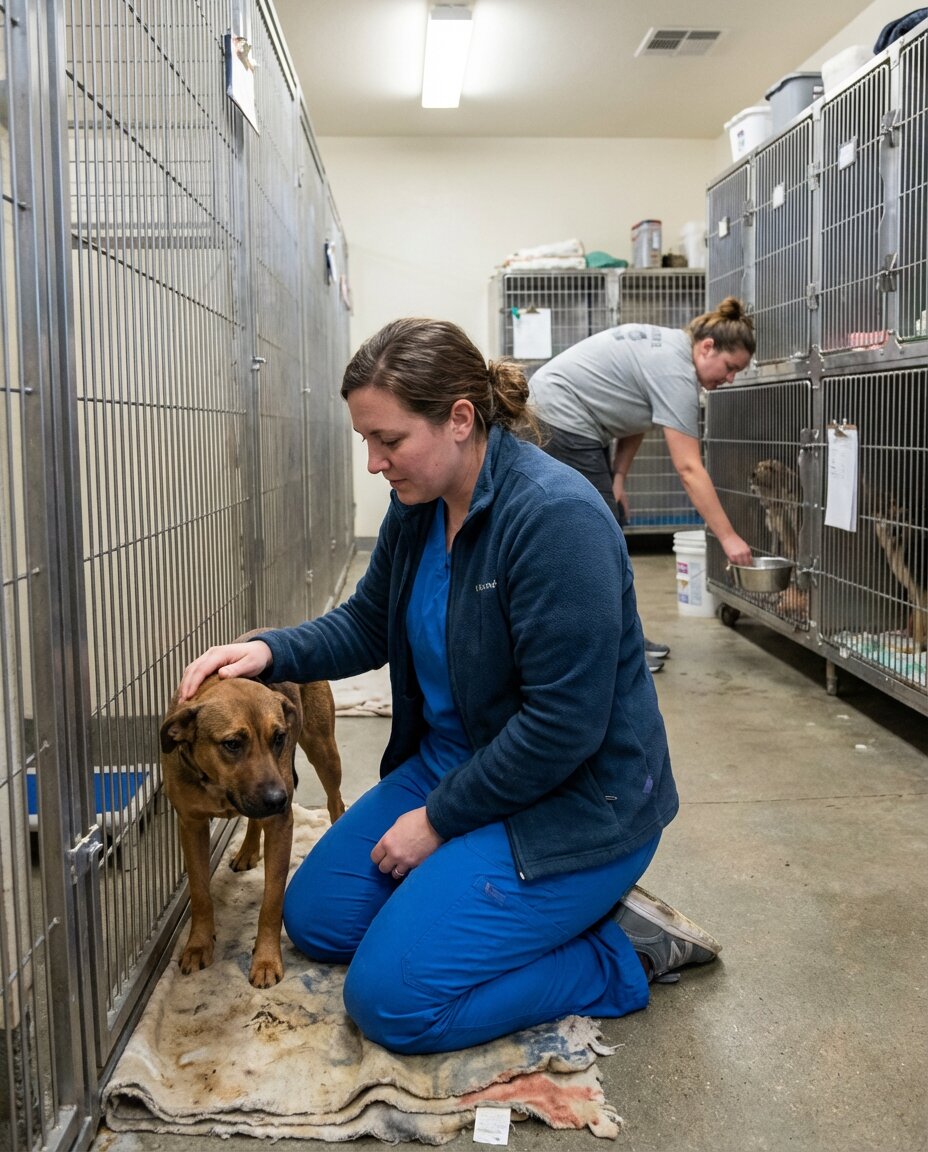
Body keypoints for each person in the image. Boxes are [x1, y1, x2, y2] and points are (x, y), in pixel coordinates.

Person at [177, 318, 721, 1056]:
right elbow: (368, 626)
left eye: (389, 441)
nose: (373, 462)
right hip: (456, 763)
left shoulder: (556, 521)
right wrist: (264, 652)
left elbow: (564, 726)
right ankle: (483, 912)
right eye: (366, 441)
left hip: (574, 801)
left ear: (461, 419)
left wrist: (437, 821)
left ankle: (619, 953)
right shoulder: (416, 507)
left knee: (393, 1002)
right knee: (320, 918)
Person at [527, 297, 755, 672]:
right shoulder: (676, 371)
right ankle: (614, 649)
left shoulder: (671, 350)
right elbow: (689, 469)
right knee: (598, 539)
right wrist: (728, 538)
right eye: (731, 368)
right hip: (559, 418)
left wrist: (618, 479)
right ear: (708, 346)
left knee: (603, 529)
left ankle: (617, 639)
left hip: (572, 419)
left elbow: (635, 417)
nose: (729, 379)